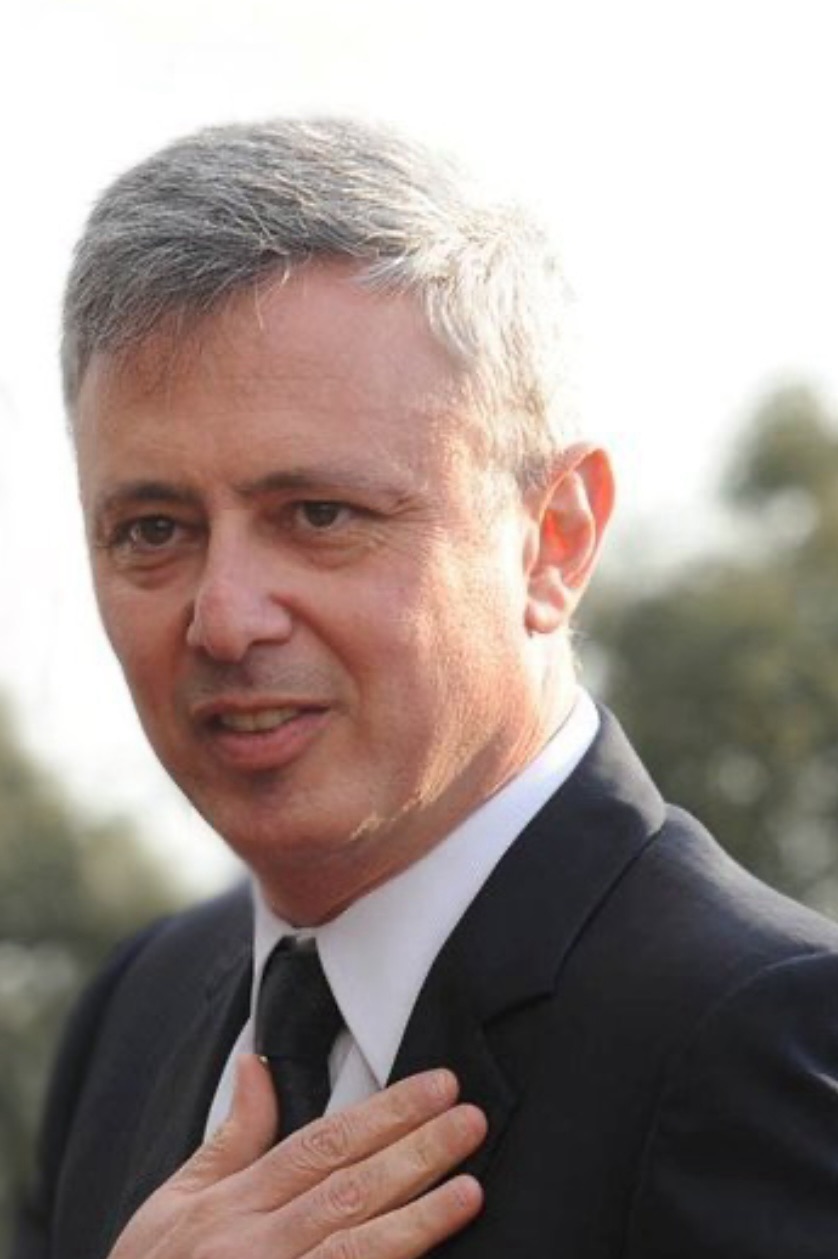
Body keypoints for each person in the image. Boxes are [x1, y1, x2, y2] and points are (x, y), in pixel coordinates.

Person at [13, 117, 838, 1259]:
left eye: (319, 515)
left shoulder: (763, 1040)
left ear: (553, 540)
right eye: (154, 529)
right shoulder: (136, 1008)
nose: (225, 618)